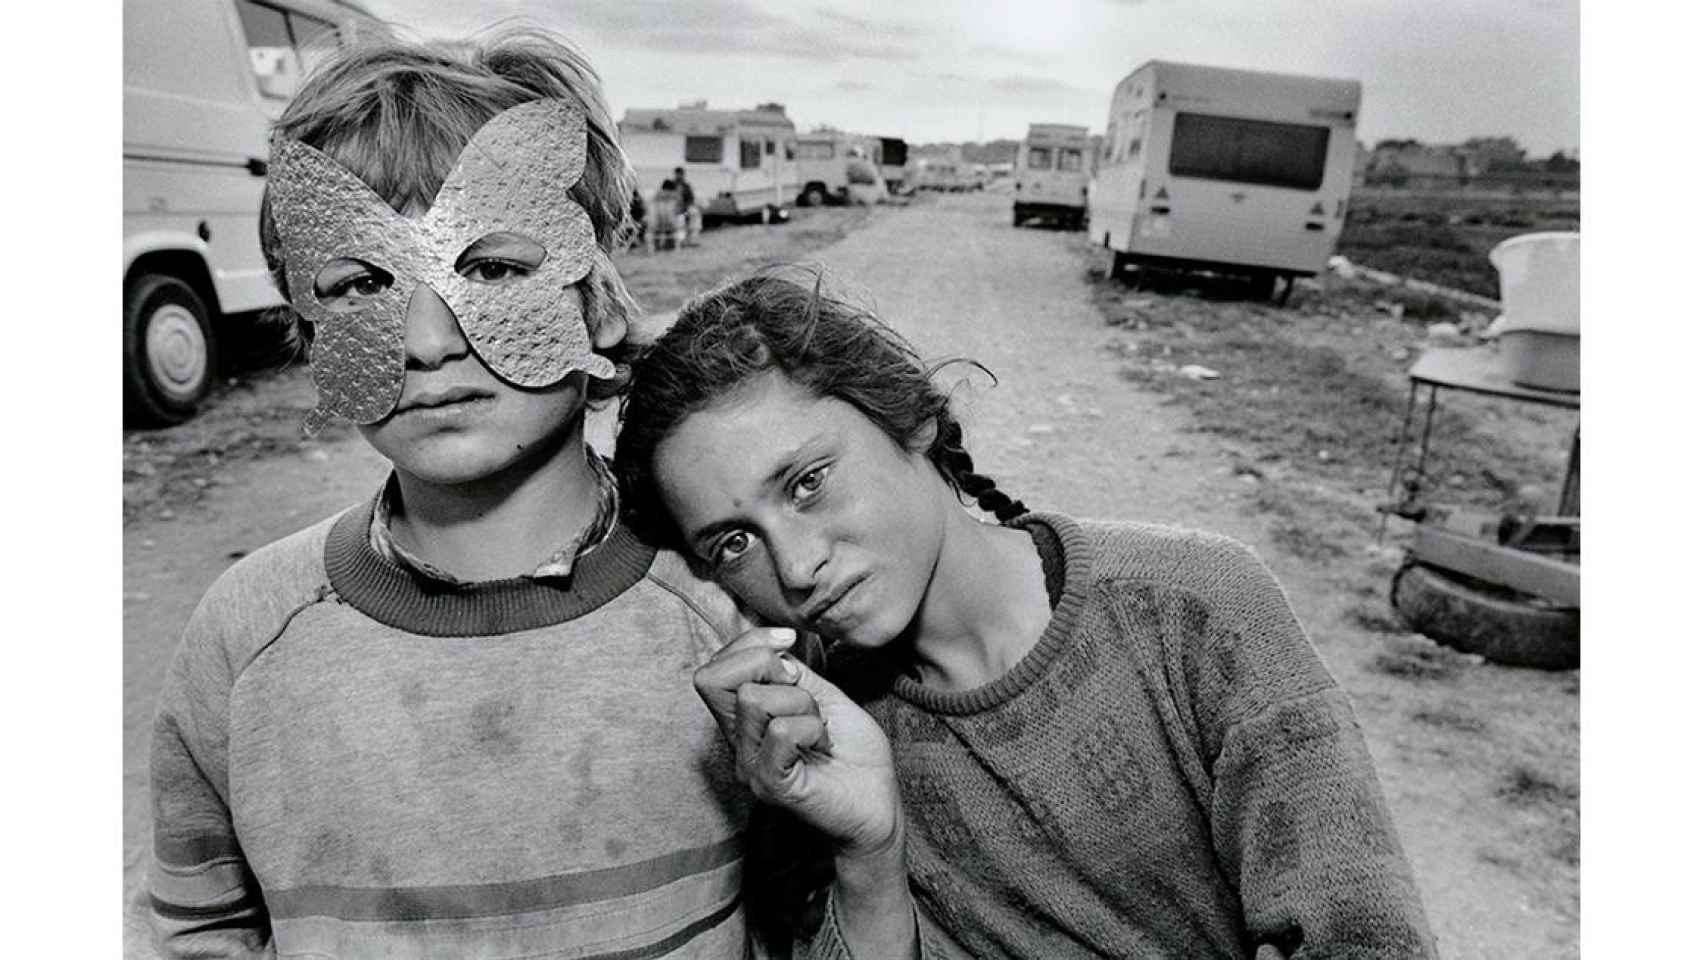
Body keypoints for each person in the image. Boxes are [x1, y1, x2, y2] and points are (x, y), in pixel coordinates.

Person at [144, 29, 816, 959]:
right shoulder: (247, 633)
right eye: (358, 284)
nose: (424, 341)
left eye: (491, 267)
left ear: (603, 300)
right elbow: (198, 930)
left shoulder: (729, 614)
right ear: (304, 328)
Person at [614, 270, 1440, 959]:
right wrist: (870, 851)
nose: (794, 566)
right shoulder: (819, 731)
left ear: (910, 417)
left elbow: (1368, 939)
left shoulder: (1193, 608)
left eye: (806, 482)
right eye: (732, 543)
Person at [670, 165, 702, 246]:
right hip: (672, 208)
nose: (679, 176)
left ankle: (693, 239)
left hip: (684, 207)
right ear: (675, 174)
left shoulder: (686, 186)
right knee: (680, 218)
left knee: (694, 213)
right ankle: (681, 240)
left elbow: (691, 199)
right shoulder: (670, 185)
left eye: (681, 174)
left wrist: (686, 206)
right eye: (678, 174)